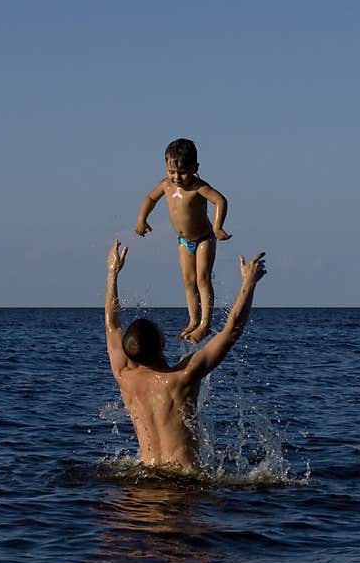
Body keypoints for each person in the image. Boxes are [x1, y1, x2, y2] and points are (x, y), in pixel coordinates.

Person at [105, 238, 266, 473]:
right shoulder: (181, 378)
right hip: (184, 482)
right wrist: (249, 283)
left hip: (143, 482)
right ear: (161, 343)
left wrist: (112, 273)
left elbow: (111, 325)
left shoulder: (123, 377)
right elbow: (231, 331)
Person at [134, 138, 232, 343]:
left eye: (182, 172)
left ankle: (206, 323)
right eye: (172, 172)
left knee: (202, 279)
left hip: (204, 238)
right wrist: (142, 219)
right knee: (188, 281)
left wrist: (217, 227)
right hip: (184, 241)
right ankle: (193, 320)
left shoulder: (198, 187)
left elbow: (220, 200)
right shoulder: (166, 185)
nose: (176, 177)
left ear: (195, 168)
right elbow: (150, 198)